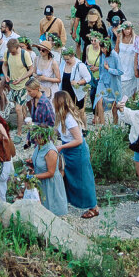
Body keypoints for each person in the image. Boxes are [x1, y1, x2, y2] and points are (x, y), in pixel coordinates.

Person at [51, 90, 98, 218]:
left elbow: (79, 140)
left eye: (54, 100)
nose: (52, 102)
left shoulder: (69, 119)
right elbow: (57, 132)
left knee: (84, 179)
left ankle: (94, 207)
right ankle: (70, 201)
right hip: (68, 151)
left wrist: (61, 147)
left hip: (77, 152)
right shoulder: (61, 116)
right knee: (70, 178)